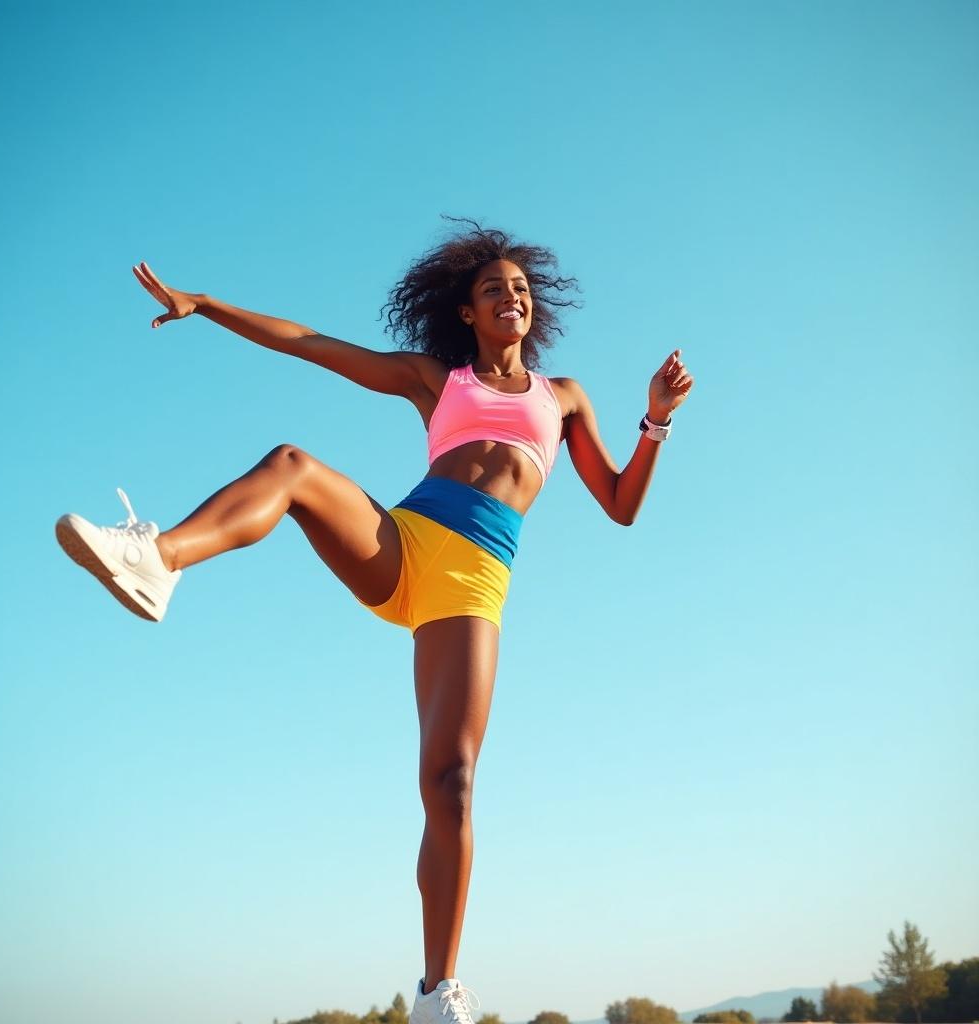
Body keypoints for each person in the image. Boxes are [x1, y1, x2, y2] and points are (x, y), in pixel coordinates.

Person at [54, 219, 694, 1024]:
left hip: (472, 585)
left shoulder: (562, 399)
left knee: (450, 785)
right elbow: (313, 344)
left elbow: (623, 506)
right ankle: (158, 560)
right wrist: (206, 304)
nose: (511, 297)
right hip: (404, 540)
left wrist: (656, 419)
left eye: (521, 288)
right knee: (293, 464)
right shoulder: (440, 380)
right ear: (466, 311)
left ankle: (437, 992)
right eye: (494, 287)